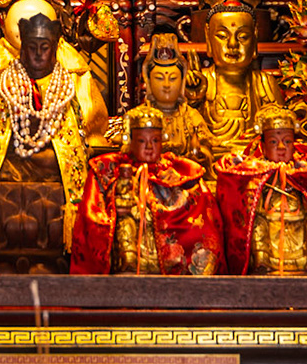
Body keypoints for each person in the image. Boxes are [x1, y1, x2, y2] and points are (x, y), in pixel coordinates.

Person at [0, 0, 111, 262]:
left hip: (51, 170)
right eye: (32, 47)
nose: (38, 55)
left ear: (56, 48)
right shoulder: (1, 84)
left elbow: (81, 138)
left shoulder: (67, 85)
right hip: (11, 168)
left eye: (45, 47)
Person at [71, 105, 219, 275]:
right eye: (142, 141)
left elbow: (200, 213)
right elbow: (93, 212)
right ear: (130, 141)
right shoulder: (111, 171)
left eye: (155, 141)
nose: (149, 146)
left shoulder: (177, 172)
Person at [215, 105, 307, 275]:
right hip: (268, 246)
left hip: (302, 245)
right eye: (273, 142)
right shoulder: (252, 174)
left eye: (287, 141)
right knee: (257, 222)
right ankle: (262, 259)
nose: (281, 147)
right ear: (263, 146)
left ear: (294, 144)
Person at [199, 4, 284, 159]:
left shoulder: (265, 83)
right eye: (222, 36)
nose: (232, 44)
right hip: (211, 159)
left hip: (254, 161)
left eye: (243, 37)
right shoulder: (200, 82)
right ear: (208, 38)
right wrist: (193, 99)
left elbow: (280, 130)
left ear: (255, 38)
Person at [140, 33, 212, 165]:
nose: (166, 85)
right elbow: (127, 150)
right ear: (148, 81)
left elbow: (206, 149)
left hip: (186, 172)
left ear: (182, 81)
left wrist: (199, 154)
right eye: (159, 78)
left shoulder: (191, 117)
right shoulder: (139, 117)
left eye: (173, 78)